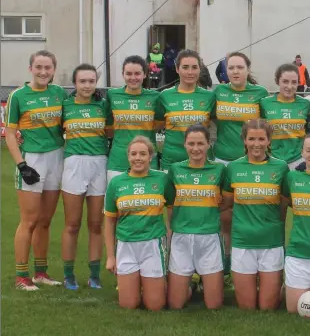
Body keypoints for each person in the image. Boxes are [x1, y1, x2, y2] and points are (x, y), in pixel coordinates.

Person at [5, 50, 67, 290]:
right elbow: (10, 134)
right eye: (38, 67)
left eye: (48, 68)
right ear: (30, 68)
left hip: (57, 157)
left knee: (45, 220)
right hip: (32, 159)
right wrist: (22, 165)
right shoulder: (18, 96)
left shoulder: (59, 93)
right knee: (29, 220)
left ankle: (41, 273)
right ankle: (22, 276)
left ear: (53, 70)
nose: (43, 72)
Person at [222, 119, 289, 310]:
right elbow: (226, 204)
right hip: (243, 242)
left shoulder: (281, 168)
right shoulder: (233, 168)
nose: (256, 144)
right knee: (247, 307)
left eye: (261, 139)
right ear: (244, 140)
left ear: (269, 141)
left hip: (272, 242)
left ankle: (289, 287)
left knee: (268, 307)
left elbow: (283, 207)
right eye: (251, 139)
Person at [213, 51, 269, 277]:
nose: (235, 71)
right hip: (224, 160)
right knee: (225, 216)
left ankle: (261, 266)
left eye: (239, 67)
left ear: (248, 69)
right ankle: (227, 265)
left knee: (255, 214)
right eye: (231, 67)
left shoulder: (260, 93)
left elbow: (267, 127)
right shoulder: (218, 92)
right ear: (225, 72)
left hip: (252, 162)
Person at [104, 136, 170, 310]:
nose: (138, 158)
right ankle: (138, 284)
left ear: (151, 157)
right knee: (128, 304)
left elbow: (172, 211)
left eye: (143, 154)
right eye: (133, 154)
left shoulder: (162, 179)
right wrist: (111, 257)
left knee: (155, 305)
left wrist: (170, 242)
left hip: (153, 244)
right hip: (126, 245)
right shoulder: (116, 183)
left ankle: (181, 286)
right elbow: (109, 221)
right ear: (128, 157)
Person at [166, 124, 225, 309]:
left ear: (209, 144)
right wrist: (170, 230)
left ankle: (203, 280)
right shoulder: (175, 169)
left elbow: (226, 201)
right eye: (191, 143)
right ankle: (191, 283)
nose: (196, 148)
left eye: (201, 143)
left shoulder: (220, 170)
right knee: (176, 304)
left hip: (209, 237)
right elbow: (170, 204)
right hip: (181, 236)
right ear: (184, 145)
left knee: (214, 305)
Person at [61, 64, 108, 290]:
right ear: (75, 83)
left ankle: (95, 275)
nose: (87, 85)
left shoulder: (103, 105)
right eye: (83, 81)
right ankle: (68, 274)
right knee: (72, 224)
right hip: (73, 164)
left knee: (96, 224)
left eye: (91, 81)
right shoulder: (65, 105)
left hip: (99, 163)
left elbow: (112, 131)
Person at [156, 49, 216, 173]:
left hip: (202, 162)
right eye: (185, 67)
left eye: (194, 67)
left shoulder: (209, 97)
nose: (190, 72)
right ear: (177, 69)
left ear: (200, 69)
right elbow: (157, 125)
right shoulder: (164, 96)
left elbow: (216, 127)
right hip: (171, 162)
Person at [105, 55, 160, 185]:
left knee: (148, 203)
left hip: (148, 161)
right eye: (128, 73)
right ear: (123, 74)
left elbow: (160, 124)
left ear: (145, 74)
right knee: (117, 203)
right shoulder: (112, 95)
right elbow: (108, 128)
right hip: (118, 160)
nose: (133, 77)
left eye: (137, 73)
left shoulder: (155, 97)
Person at [260, 64, 310, 170]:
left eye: (294, 82)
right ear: (278, 81)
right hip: (272, 160)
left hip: (298, 161)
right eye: (285, 81)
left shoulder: (305, 104)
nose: (290, 86)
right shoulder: (265, 103)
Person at [283, 134, 310, 313]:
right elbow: (283, 208)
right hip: (298, 253)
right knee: (295, 310)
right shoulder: (292, 178)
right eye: (309, 150)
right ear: (302, 152)